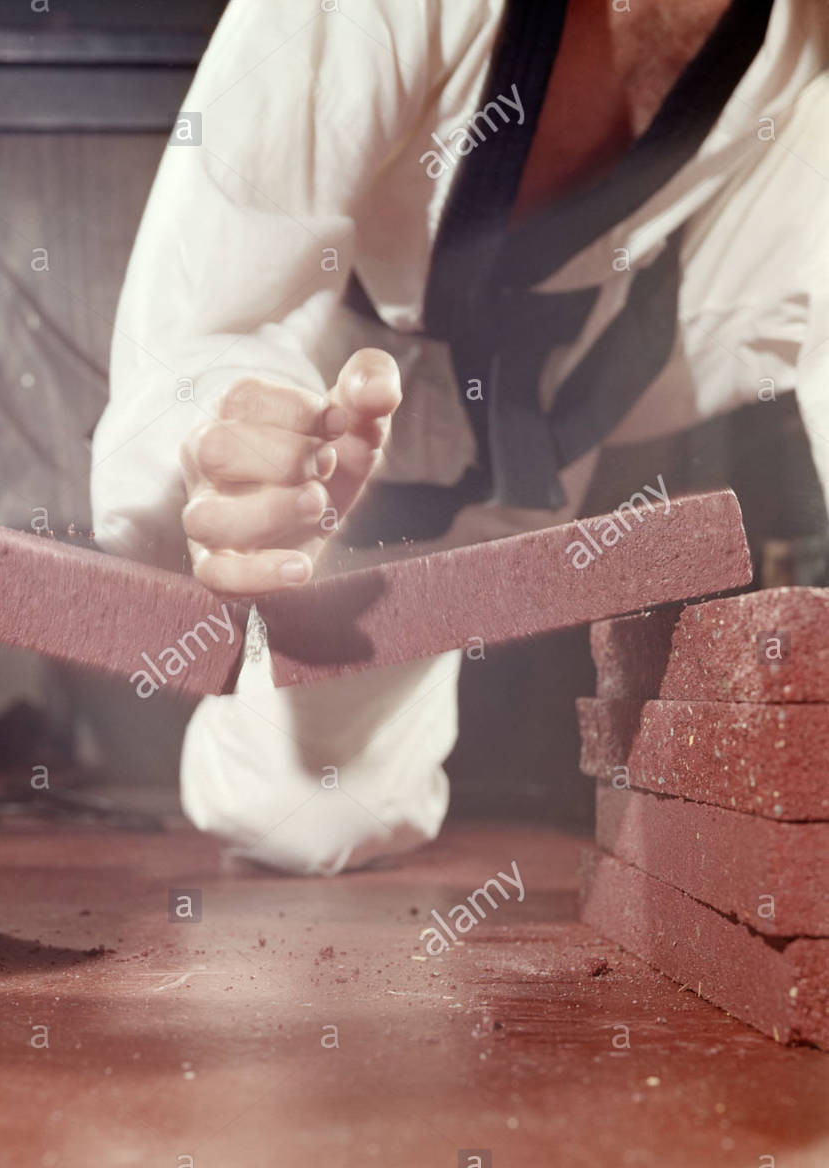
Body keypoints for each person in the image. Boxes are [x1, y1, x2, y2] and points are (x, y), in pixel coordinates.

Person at [92, 0, 829, 875]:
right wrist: (241, 458)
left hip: (598, 362)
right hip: (351, 419)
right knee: (303, 811)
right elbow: (205, 310)